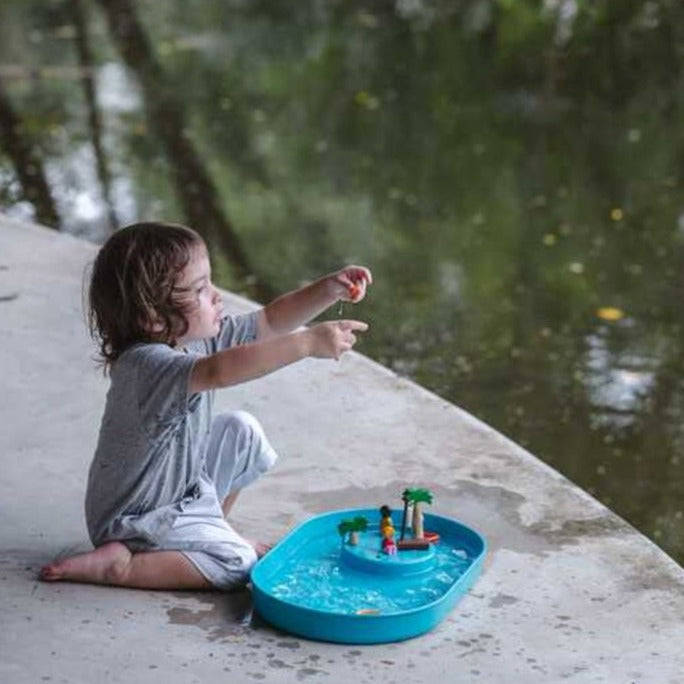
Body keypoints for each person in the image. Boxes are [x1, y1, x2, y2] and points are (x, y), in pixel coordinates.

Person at [40, 221, 370, 591]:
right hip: (136, 519)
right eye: (200, 289)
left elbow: (270, 321)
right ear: (152, 316)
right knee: (237, 562)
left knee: (241, 431)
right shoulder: (147, 365)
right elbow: (219, 371)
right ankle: (123, 566)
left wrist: (327, 289)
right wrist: (306, 345)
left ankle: (209, 528)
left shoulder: (188, 339)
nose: (216, 296)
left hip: (179, 491)